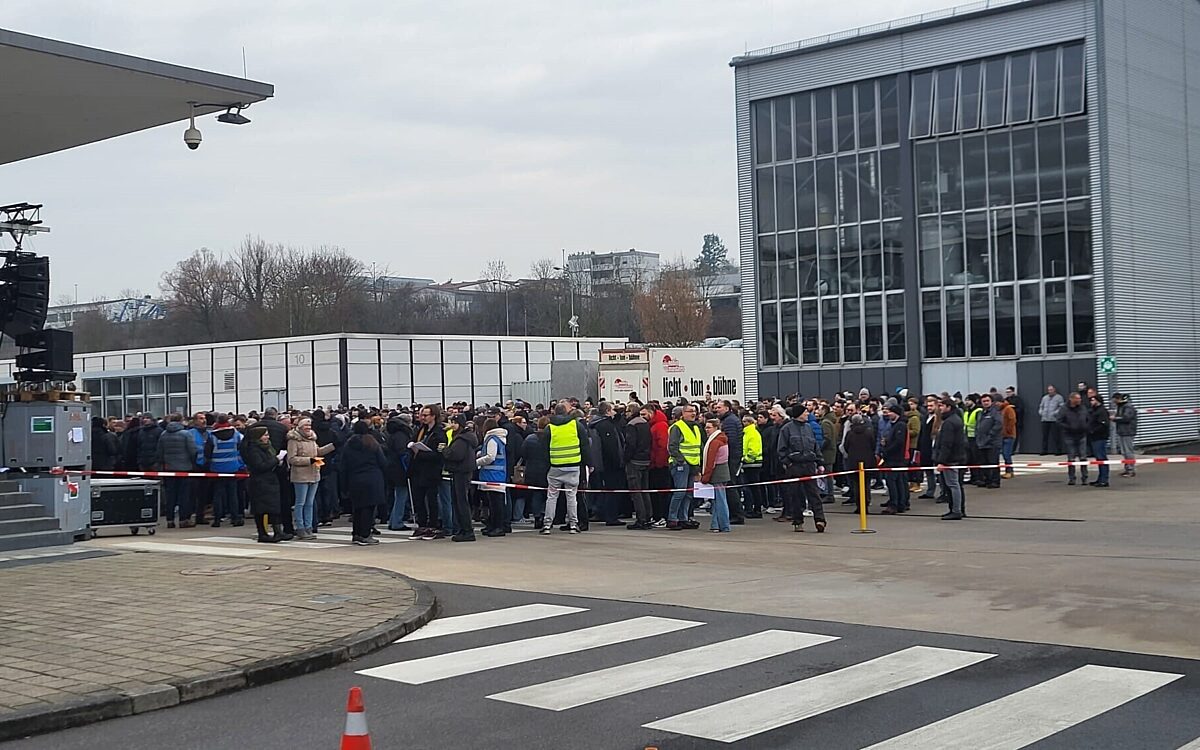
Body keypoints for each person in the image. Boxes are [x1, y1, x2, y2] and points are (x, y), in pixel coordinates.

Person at [542, 403, 590, 535]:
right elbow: (584, 445)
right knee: (571, 496)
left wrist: (547, 466)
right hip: (573, 465)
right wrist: (587, 463)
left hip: (555, 466)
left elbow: (544, 450)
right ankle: (573, 525)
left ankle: (547, 525)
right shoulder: (576, 425)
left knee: (552, 496)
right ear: (567, 412)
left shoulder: (549, 428)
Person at [777, 403, 825, 532]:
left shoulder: (809, 428)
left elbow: (815, 446)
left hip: (809, 465)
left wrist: (820, 462)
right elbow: (781, 449)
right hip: (795, 467)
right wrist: (788, 463)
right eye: (805, 412)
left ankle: (820, 520)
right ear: (798, 414)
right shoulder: (786, 429)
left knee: (814, 494)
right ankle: (798, 521)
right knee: (796, 496)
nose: (807, 414)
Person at [286, 417, 335, 540]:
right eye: (305, 427)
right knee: (300, 503)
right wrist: (309, 460)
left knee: (310, 503)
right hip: (300, 475)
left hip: (314, 474)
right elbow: (291, 459)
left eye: (309, 427)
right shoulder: (294, 440)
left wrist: (332, 446)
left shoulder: (312, 438)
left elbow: (318, 451)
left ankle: (308, 527)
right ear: (300, 428)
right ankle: (300, 527)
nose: (308, 429)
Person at [341, 420, 387, 545]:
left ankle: (356, 534)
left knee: (357, 508)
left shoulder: (349, 444)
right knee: (369, 507)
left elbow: (343, 464)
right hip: (372, 477)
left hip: (354, 478)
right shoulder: (372, 443)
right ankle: (365, 534)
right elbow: (382, 461)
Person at [240, 425, 285, 543]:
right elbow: (260, 466)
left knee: (274, 507)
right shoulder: (253, 449)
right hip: (260, 482)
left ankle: (278, 532)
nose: (267, 437)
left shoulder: (267, 447)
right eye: (265, 435)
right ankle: (263, 533)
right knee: (261, 509)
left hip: (270, 480)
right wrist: (276, 459)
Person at [408, 405, 447, 539]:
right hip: (418, 470)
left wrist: (420, 453)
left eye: (425, 415)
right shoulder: (420, 430)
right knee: (418, 500)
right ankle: (422, 525)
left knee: (432, 500)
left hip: (431, 471)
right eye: (422, 415)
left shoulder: (439, 433)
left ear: (433, 416)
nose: (422, 418)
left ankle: (433, 526)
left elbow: (439, 454)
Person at [156, 413, 199, 527]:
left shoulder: (163, 434)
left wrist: (163, 463)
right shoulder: (186, 434)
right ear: (181, 420)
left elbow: (159, 452)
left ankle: (170, 520)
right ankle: (183, 519)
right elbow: (193, 451)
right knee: (184, 495)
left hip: (169, 468)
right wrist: (193, 463)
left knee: (171, 494)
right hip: (184, 468)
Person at [666, 404, 702, 530]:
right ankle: (672, 519)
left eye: (694, 411)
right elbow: (672, 446)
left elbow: (699, 446)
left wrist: (698, 465)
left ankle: (683, 518)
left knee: (688, 494)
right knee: (680, 492)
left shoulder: (696, 427)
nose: (693, 413)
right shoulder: (677, 427)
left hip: (693, 464)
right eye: (690, 411)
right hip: (681, 464)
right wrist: (681, 460)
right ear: (683, 413)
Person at [444, 414, 479, 542]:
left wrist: (445, 451)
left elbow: (456, 455)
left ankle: (467, 530)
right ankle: (464, 529)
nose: (451, 425)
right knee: (460, 501)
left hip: (461, 472)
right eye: (451, 421)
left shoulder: (461, 439)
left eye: (454, 422)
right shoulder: (466, 437)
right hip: (463, 471)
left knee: (461, 502)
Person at [205, 418, 245, 527]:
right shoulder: (236, 434)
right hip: (232, 467)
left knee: (218, 495)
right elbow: (241, 449)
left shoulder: (212, 436)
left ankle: (217, 519)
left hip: (217, 468)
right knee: (233, 494)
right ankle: (235, 518)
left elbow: (207, 453)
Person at [933, 397, 967, 520]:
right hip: (956, 457)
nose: (940, 408)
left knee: (953, 485)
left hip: (951, 459)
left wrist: (941, 461)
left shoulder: (949, 422)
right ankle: (958, 509)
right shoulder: (954, 419)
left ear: (949, 407)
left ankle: (956, 510)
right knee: (955, 484)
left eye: (942, 406)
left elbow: (947, 443)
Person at [477, 418, 509, 537]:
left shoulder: (492, 439)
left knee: (496, 503)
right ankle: (494, 525)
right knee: (494, 502)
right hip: (496, 475)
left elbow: (490, 457)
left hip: (493, 475)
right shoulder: (498, 439)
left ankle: (498, 527)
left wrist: (476, 462)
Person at [714, 400, 746, 523]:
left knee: (730, 485)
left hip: (731, 458)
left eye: (719, 407)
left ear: (727, 408)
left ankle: (736, 514)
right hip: (733, 457)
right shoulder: (730, 420)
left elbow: (730, 441)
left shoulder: (729, 422)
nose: (717, 409)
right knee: (731, 485)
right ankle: (735, 513)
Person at [622, 405, 653, 530]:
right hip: (645, 459)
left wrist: (625, 459)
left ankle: (641, 519)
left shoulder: (632, 425)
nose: (625, 413)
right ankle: (648, 516)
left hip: (635, 461)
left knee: (636, 491)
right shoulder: (645, 423)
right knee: (645, 490)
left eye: (627, 411)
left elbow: (630, 444)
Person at [700, 418, 731, 533]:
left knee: (719, 501)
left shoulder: (714, 442)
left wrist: (705, 477)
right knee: (719, 500)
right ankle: (716, 524)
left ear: (716, 428)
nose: (706, 429)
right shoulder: (722, 439)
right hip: (723, 472)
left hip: (717, 474)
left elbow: (710, 461)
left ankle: (723, 525)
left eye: (709, 427)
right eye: (706, 427)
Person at [878, 404, 911, 513]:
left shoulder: (900, 425)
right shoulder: (895, 425)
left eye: (890, 412)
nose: (888, 414)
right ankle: (900, 502)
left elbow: (899, 442)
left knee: (893, 481)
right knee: (898, 481)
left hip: (896, 458)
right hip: (894, 458)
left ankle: (895, 504)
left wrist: (886, 450)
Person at [840, 414, 876, 510]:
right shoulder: (869, 432)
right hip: (868, 461)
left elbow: (846, 446)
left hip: (853, 462)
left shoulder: (850, 433)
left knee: (856, 485)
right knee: (866, 484)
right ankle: (866, 503)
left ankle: (859, 505)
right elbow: (873, 445)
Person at [521, 417, 551, 529]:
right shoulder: (551, 439)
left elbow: (523, 454)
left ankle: (537, 516)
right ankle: (544, 515)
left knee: (535, 495)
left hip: (532, 470)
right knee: (548, 496)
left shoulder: (530, 438)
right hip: (547, 470)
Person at [1058, 391, 1091, 486]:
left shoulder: (1083, 408)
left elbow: (1088, 418)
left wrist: (1086, 426)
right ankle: (1072, 478)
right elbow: (1059, 421)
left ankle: (1085, 478)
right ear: (1071, 399)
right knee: (1071, 458)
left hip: (1082, 435)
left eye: (1080, 398)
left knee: (1083, 457)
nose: (1079, 400)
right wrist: (1068, 427)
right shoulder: (1064, 409)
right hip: (1069, 436)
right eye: (1077, 398)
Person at [974, 393, 1003, 489]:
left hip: (992, 443)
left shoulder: (995, 413)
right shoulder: (980, 413)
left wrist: (990, 436)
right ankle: (987, 480)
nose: (985, 403)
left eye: (987, 401)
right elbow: (978, 426)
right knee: (984, 463)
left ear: (991, 402)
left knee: (993, 463)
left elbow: (998, 425)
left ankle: (995, 481)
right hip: (982, 442)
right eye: (984, 401)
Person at [740, 414, 764, 517]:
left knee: (752, 488)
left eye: (745, 421)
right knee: (752, 487)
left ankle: (756, 509)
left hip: (752, 464)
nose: (743, 423)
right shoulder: (748, 433)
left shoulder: (752, 433)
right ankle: (753, 508)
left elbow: (753, 450)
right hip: (751, 463)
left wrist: (746, 459)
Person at [1112, 393, 1138, 477]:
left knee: (1128, 451)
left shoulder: (1128, 407)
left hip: (1127, 432)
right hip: (1122, 431)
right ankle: (1127, 468)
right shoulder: (1121, 407)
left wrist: (1115, 418)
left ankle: (1131, 470)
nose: (1113, 402)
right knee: (1124, 452)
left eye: (1115, 399)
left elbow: (1126, 418)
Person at [1088, 394, 1111, 488]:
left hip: (1100, 437)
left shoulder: (1102, 411)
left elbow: (1104, 425)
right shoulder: (1094, 410)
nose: (1091, 402)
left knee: (1102, 458)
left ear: (1098, 401)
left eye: (1093, 400)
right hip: (1095, 437)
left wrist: (1093, 430)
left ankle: (1104, 480)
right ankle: (1100, 478)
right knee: (1099, 459)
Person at [1039, 385, 1065, 455]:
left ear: (1054, 390)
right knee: (1045, 436)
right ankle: (1044, 450)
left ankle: (1058, 450)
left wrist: (1055, 413)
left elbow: (1062, 407)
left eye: (1051, 390)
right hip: (1044, 419)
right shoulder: (1044, 398)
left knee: (1056, 436)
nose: (1050, 391)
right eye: (1049, 390)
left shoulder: (1059, 397)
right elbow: (1041, 406)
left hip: (1054, 420)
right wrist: (1041, 412)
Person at [999, 397, 1017, 479]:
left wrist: (1008, 431)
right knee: (1005, 453)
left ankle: (1009, 471)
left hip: (1008, 435)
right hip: (1004, 435)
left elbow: (1012, 420)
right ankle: (1009, 471)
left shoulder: (1008, 409)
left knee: (1007, 454)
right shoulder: (1002, 409)